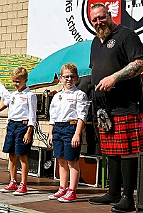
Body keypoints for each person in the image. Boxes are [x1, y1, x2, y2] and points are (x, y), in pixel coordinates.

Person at [87, 3, 143, 213]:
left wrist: (114, 77)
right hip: (105, 108)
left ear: (109, 14)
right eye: (94, 20)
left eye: (101, 18)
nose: (98, 22)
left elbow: (140, 63)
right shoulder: (96, 42)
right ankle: (113, 192)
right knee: (111, 152)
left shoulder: (126, 35)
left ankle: (128, 198)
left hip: (128, 105)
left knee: (128, 153)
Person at [47, 62, 89, 202]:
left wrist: (77, 133)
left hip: (71, 128)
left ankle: (72, 191)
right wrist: (50, 132)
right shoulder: (56, 96)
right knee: (61, 160)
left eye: (72, 77)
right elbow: (52, 116)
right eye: (66, 77)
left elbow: (81, 116)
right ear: (61, 78)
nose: (69, 79)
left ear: (77, 78)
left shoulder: (80, 95)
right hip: (58, 128)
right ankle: (62, 188)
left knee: (72, 161)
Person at [0, 66, 37, 196]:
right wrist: (7, 128)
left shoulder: (30, 95)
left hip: (23, 126)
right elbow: (11, 112)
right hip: (12, 126)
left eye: (18, 81)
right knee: (11, 155)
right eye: (14, 81)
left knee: (22, 155)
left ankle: (23, 184)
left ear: (25, 80)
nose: (15, 84)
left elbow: (32, 115)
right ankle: (13, 181)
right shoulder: (13, 95)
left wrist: (29, 131)